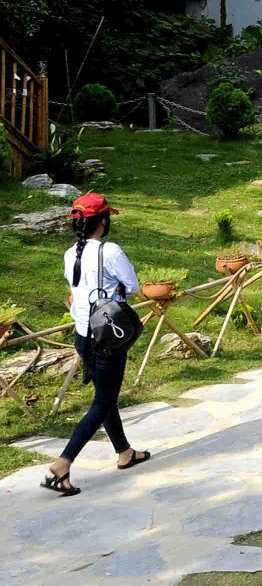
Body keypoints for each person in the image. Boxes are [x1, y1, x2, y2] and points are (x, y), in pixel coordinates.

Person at [43, 192, 148, 495]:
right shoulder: (109, 251)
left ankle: (124, 452)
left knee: (106, 394)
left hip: (82, 334)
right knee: (103, 402)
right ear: (102, 221)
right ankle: (63, 463)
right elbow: (133, 286)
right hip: (107, 335)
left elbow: (74, 290)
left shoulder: (69, 254)